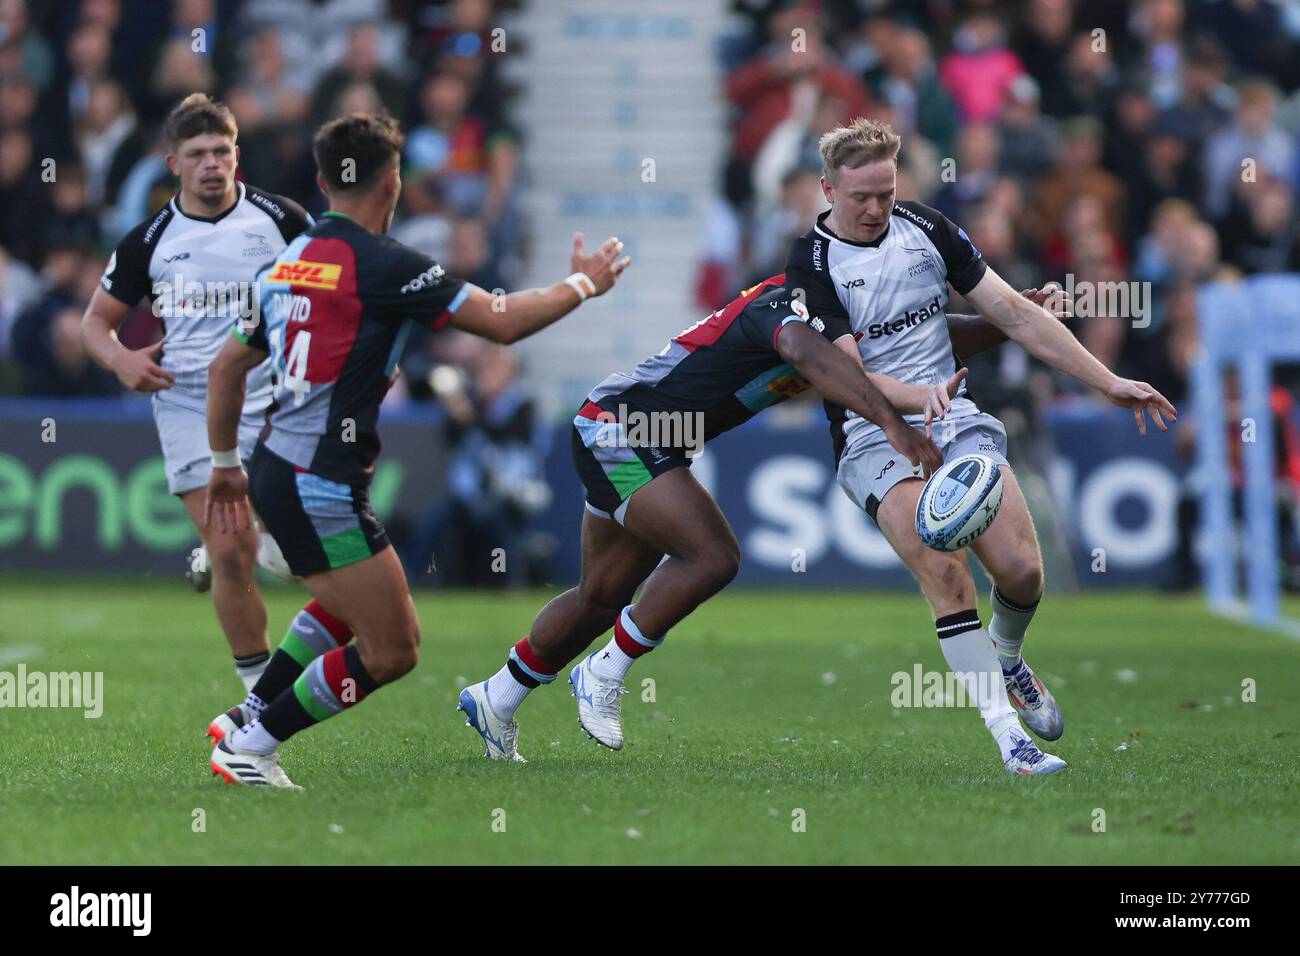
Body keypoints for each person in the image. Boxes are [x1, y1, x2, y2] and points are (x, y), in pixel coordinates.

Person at [203, 112, 629, 787]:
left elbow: (226, 367)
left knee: (347, 604)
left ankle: (248, 714)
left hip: (276, 464)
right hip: (320, 480)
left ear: (321, 181)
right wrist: (583, 284)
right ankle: (253, 743)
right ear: (393, 181)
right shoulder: (387, 265)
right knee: (393, 648)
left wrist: (225, 465)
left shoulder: (289, 261)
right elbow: (503, 322)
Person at [784, 118, 1177, 775]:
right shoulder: (812, 262)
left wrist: (1107, 382)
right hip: (872, 432)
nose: (876, 207)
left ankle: (1008, 654)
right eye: (860, 197)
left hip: (956, 417)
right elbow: (849, 378)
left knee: (1023, 574)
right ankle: (1009, 741)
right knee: (945, 568)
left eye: (885, 192)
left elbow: (1015, 313)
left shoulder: (929, 229)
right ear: (828, 189)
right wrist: (919, 398)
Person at [458, 272, 961, 762]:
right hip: (621, 430)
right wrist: (893, 421)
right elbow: (806, 353)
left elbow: (927, 343)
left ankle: (496, 697)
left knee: (601, 596)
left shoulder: (842, 324)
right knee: (712, 556)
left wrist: (1007, 322)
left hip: (646, 436)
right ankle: (605, 671)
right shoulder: (793, 299)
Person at [81, 93, 312, 696]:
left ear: (237, 155)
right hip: (188, 405)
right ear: (173, 164)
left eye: (222, 150)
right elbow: (93, 323)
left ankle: (228, 550)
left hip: (277, 401)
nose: (212, 163)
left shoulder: (282, 219)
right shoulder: (148, 240)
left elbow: (330, 295)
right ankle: (260, 701)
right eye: (198, 154)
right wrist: (120, 360)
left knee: (293, 558)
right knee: (235, 550)